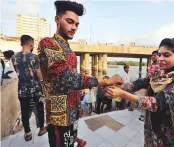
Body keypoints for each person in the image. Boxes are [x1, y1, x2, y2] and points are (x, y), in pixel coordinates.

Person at [37, 1, 122, 147]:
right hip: (59, 116)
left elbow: (72, 83)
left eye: (77, 24)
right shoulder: (48, 43)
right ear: (57, 20)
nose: (74, 27)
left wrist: (75, 137)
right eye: (70, 22)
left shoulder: (67, 47)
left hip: (72, 113)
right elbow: (65, 77)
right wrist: (104, 81)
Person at [105, 38, 174, 147]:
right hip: (152, 128)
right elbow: (139, 83)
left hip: (169, 134)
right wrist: (120, 86)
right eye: (159, 54)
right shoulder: (157, 75)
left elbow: (156, 103)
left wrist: (123, 94)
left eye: (166, 55)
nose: (160, 58)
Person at [11, 35, 47, 141]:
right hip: (35, 89)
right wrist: (42, 82)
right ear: (31, 45)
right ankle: (41, 129)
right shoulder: (34, 57)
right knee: (40, 109)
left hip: (22, 89)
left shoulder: (14, 57)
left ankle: (27, 133)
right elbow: (38, 73)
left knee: (24, 111)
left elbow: (17, 72)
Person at [139, 50, 160, 122]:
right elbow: (149, 75)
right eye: (152, 56)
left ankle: (148, 116)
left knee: (151, 101)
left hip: (155, 87)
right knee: (146, 98)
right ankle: (144, 115)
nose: (153, 57)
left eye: (155, 55)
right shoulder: (152, 64)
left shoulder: (159, 65)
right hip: (150, 85)